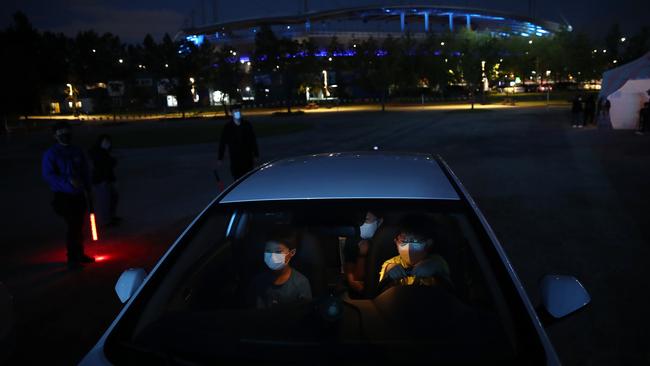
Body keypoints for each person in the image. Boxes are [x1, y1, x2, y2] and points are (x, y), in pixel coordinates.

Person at [42, 122, 95, 269]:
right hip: (64, 196)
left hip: (79, 195)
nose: (65, 135)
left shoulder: (77, 151)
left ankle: (80, 253)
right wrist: (68, 182)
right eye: (61, 132)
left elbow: (85, 171)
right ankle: (72, 259)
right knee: (73, 226)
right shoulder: (51, 154)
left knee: (79, 225)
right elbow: (49, 175)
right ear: (55, 135)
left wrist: (88, 189)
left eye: (67, 131)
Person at [378, 215, 450, 288]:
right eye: (404, 241)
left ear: (428, 243)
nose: (409, 247)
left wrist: (433, 267)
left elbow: (447, 283)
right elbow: (381, 288)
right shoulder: (391, 263)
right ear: (396, 242)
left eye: (416, 241)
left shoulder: (436, 261)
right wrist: (389, 269)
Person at [249, 230, 312, 309]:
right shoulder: (258, 281)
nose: (272, 256)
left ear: (291, 253)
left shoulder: (301, 283)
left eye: (278, 252)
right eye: (268, 251)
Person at [344, 211, 384, 293]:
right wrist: (362, 254)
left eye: (366, 220)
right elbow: (353, 274)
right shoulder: (353, 240)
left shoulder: (387, 240)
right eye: (360, 222)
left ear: (380, 221)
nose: (361, 226)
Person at [217, 103, 259, 180]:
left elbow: (253, 140)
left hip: (247, 158)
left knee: (248, 179)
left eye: (239, 110)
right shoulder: (228, 127)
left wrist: (256, 155)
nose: (238, 113)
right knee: (237, 180)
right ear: (231, 113)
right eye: (235, 111)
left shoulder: (247, 125)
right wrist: (220, 158)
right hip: (235, 159)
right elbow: (222, 143)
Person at [88, 134, 120, 227]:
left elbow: (109, 164)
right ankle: (105, 221)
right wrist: (111, 161)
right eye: (105, 142)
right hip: (100, 180)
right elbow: (105, 164)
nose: (107, 144)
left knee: (113, 198)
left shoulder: (104, 152)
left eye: (108, 142)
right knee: (104, 201)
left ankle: (111, 217)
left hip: (107, 179)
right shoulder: (97, 152)